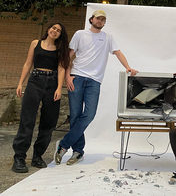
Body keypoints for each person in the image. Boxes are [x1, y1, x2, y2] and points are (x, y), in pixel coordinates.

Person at [54, 10, 138, 166]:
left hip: (94, 82)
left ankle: (63, 145)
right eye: (98, 18)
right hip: (77, 77)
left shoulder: (107, 38)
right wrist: (67, 76)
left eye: (103, 20)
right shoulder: (80, 34)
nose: (100, 21)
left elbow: (118, 53)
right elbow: (69, 55)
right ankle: (78, 152)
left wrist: (128, 67)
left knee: (89, 114)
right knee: (75, 116)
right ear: (91, 19)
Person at [12, 23, 70, 173]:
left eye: (58, 30)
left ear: (60, 34)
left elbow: (61, 68)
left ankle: (38, 155)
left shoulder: (60, 49)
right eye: (53, 28)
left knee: (49, 121)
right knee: (27, 119)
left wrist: (59, 88)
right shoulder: (35, 43)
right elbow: (27, 64)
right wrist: (20, 83)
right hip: (35, 80)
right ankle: (19, 157)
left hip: (52, 83)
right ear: (48, 29)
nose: (55, 31)